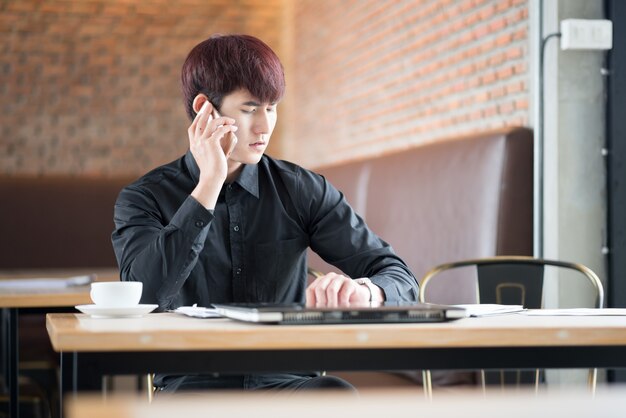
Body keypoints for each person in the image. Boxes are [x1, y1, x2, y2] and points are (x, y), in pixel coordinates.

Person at [111, 34, 419, 393]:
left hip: (289, 383)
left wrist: (364, 293)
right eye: (250, 108)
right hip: (193, 388)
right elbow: (144, 294)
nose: (264, 126)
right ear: (204, 109)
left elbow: (399, 276)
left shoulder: (301, 189)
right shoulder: (144, 197)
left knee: (337, 396)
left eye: (271, 107)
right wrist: (210, 183)